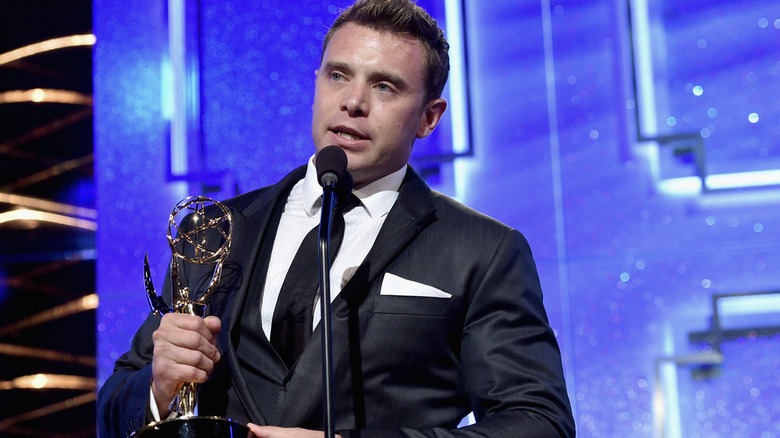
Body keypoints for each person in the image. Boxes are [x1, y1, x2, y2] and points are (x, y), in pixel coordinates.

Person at [97, 0, 576, 437]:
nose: (353, 102)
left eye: (385, 86)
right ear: (316, 83)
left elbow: (539, 422)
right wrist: (159, 389)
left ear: (430, 117)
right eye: (338, 75)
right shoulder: (220, 227)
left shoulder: (481, 250)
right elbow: (112, 411)